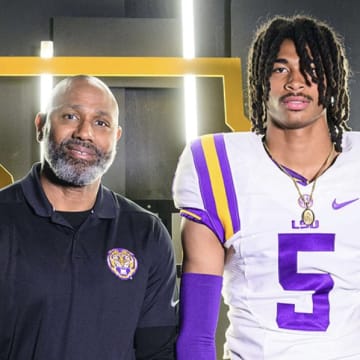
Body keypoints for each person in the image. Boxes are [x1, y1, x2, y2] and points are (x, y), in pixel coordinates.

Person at [173, 14, 360, 359]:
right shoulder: (217, 162)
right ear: (261, 80)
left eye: (312, 68)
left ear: (332, 81)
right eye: (280, 69)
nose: (295, 82)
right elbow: (197, 332)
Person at [0, 75, 177, 359]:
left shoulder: (146, 233)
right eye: (70, 116)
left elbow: (158, 351)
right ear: (41, 126)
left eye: (101, 123)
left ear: (115, 137)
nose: (85, 133)